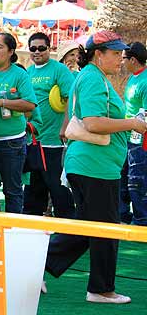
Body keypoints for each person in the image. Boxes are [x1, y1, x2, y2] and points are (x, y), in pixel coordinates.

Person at [45, 30, 147, 304]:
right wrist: (133, 123)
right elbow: (92, 122)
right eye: (115, 54)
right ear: (97, 55)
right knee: (104, 228)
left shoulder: (92, 77)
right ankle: (99, 288)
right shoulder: (92, 79)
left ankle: (42, 266)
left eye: (121, 54)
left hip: (95, 165)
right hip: (94, 166)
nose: (121, 59)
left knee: (93, 226)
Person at [0, 32, 37, 214]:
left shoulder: (19, 74)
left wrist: (2, 102)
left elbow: (30, 105)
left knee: (12, 191)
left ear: (11, 51)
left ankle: (13, 234)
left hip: (11, 143)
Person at [23, 32, 75, 219]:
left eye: (41, 48)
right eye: (33, 48)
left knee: (57, 188)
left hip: (53, 140)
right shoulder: (27, 72)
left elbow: (70, 98)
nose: (37, 52)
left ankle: (67, 230)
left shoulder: (59, 70)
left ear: (49, 49)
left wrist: (65, 127)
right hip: (33, 141)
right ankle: (32, 229)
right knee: (33, 190)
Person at [121, 42, 147, 226]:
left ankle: (141, 219)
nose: (121, 62)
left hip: (140, 139)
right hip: (127, 136)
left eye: (123, 58)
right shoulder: (133, 77)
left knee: (136, 180)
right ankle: (122, 216)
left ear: (133, 60)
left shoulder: (145, 80)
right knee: (124, 177)